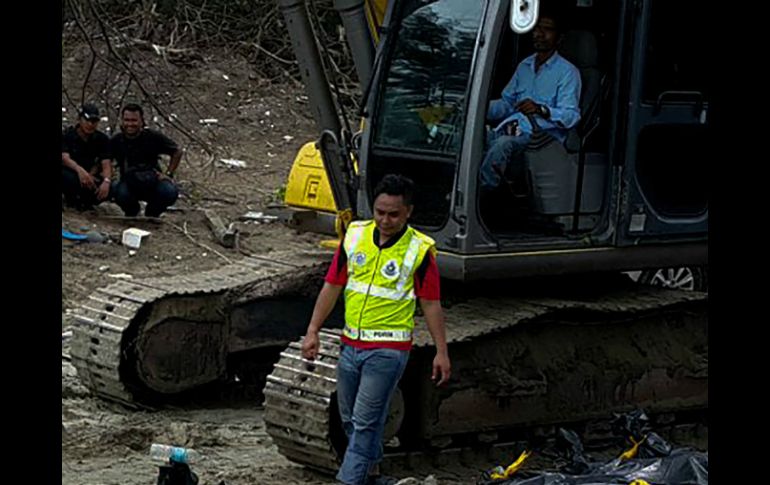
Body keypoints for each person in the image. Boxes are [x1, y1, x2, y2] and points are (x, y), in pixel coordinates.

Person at [301, 174, 451, 485]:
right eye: (380, 212)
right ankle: (372, 473)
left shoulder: (419, 250)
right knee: (350, 420)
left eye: (393, 214)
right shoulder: (355, 236)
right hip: (350, 344)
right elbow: (333, 285)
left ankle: (349, 480)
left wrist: (441, 351)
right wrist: (313, 329)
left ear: (408, 211)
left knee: (366, 422)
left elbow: (431, 303)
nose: (385, 220)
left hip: (388, 349)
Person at [480, 12, 582, 191]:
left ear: (559, 38)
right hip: (508, 130)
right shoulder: (525, 66)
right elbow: (506, 103)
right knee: (465, 136)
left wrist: (541, 109)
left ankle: (482, 195)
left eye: (547, 29)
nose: (539, 33)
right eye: (536, 28)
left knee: (503, 145)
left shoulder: (568, 72)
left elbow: (571, 115)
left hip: (539, 140)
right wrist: (478, 108)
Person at [111, 103, 183, 217]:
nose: (130, 124)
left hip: (152, 181)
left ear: (141, 121)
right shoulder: (117, 140)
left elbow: (177, 151)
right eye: (127, 120)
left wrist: (168, 174)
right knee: (116, 190)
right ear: (122, 121)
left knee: (169, 191)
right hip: (129, 184)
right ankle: (132, 213)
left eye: (134, 120)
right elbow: (104, 159)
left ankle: (152, 214)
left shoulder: (153, 137)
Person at [61, 103, 113, 210]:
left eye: (94, 122)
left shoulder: (102, 139)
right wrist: (80, 171)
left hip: (92, 177)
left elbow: (106, 163)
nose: (90, 124)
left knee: (109, 189)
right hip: (73, 173)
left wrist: (106, 181)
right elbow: (65, 158)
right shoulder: (68, 135)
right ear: (80, 119)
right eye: (87, 121)